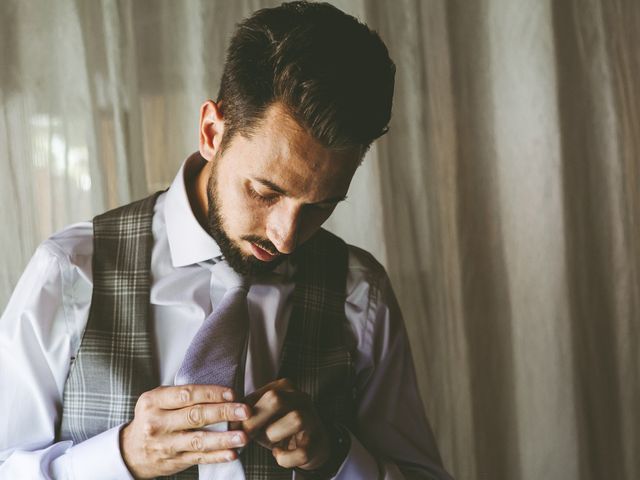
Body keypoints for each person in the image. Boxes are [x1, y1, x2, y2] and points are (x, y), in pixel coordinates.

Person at [0, 2, 453, 479]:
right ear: (212, 132)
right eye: (265, 191)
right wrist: (122, 457)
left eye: (321, 206)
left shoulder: (361, 293)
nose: (285, 238)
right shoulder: (72, 272)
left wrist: (338, 455)